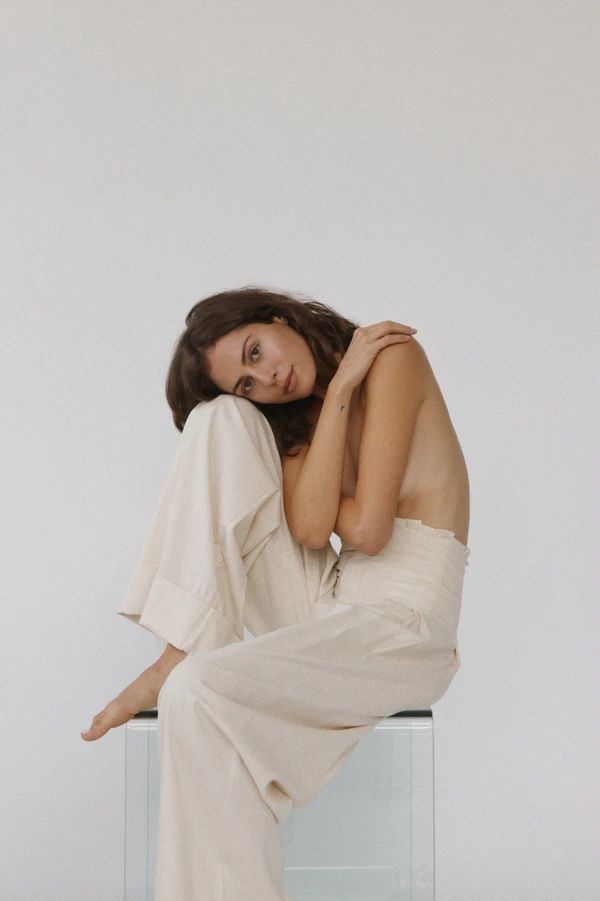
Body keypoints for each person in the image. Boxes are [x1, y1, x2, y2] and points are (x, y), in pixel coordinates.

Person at [81, 286, 470, 901]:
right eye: (248, 382)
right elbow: (314, 531)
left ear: (278, 316)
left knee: (200, 692)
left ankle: (183, 658)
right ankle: (182, 642)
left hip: (403, 625)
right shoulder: (287, 420)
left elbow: (367, 531)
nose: (268, 378)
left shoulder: (391, 357)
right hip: (331, 605)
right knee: (218, 421)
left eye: (257, 351)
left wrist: (344, 384)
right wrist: (331, 395)